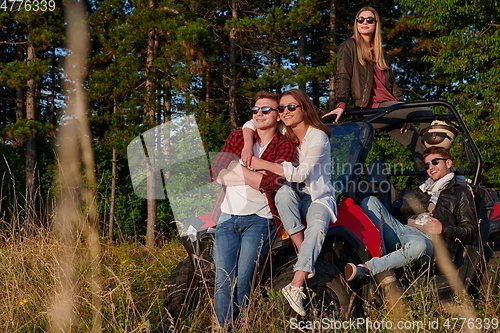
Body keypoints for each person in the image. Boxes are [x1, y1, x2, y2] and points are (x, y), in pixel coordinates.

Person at [245, 89, 337, 316]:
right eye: (282, 108)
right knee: (283, 193)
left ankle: (296, 284)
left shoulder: (318, 136)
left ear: (304, 109)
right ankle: (301, 250)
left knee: (317, 225)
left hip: (316, 195)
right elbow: (251, 122)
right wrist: (248, 145)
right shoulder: (284, 129)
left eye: (291, 107)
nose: (286, 112)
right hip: (293, 193)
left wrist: (264, 164)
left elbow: (300, 174)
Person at [210, 92, 297, 330]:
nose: (259, 113)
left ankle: (242, 326)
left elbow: (271, 184)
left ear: (278, 115)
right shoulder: (238, 137)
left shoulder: (285, 145)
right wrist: (253, 176)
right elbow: (216, 172)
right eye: (255, 109)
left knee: (244, 281)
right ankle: (226, 328)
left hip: (260, 221)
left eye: (265, 110)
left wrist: (235, 167)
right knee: (223, 281)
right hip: (227, 218)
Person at [344, 146, 478, 282]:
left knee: (420, 245)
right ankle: (383, 263)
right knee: (370, 201)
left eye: (435, 162)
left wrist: (443, 228)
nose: (431, 167)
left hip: (433, 243)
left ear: (448, 163)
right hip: (406, 231)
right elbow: (392, 210)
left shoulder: (461, 192)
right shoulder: (421, 190)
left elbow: (470, 231)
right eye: (427, 165)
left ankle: (370, 267)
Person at [323, 6, 433, 170]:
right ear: (356, 23)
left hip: (390, 108)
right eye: (360, 19)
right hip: (369, 109)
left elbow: (392, 85)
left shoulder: (381, 52)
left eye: (369, 19)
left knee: (420, 147)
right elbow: (343, 75)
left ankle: (429, 182)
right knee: (426, 110)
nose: (364, 22)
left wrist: (404, 115)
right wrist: (341, 105)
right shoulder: (349, 46)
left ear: (376, 24)